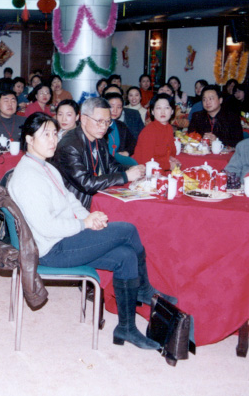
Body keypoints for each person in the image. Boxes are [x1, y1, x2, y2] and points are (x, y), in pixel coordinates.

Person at [9, 112, 174, 350]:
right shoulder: (27, 176)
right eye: (46, 135)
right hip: (50, 249)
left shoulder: (46, 167)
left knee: (126, 255)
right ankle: (144, 290)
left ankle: (126, 328)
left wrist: (89, 217)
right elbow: (46, 226)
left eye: (55, 134)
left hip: (64, 238)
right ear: (29, 139)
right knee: (128, 230)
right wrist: (84, 224)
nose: (53, 140)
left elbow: (69, 200)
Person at [51, 97, 145, 209]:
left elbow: (111, 166)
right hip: (77, 206)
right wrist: (125, 176)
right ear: (84, 119)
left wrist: (133, 169)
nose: (104, 127)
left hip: (98, 197)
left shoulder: (99, 139)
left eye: (107, 122)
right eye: (99, 121)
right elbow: (86, 183)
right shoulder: (69, 146)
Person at [133, 94, 180, 171]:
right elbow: (146, 162)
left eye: (167, 108)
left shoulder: (169, 128)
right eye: (158, 108)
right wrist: (168, 165)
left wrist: (171, 158)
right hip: (147, 172)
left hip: (162, 170)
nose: (163, 112)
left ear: (172, 111)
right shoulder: (148, 132)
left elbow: (171, 151)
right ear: (152, 111)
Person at [104, 93, 138, 164]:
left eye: (119, 107)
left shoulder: (121, 126)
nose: (115, 110)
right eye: (111, 106)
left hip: (117, 164)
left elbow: (133, 142)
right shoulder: (97, 126)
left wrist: (127, 152)